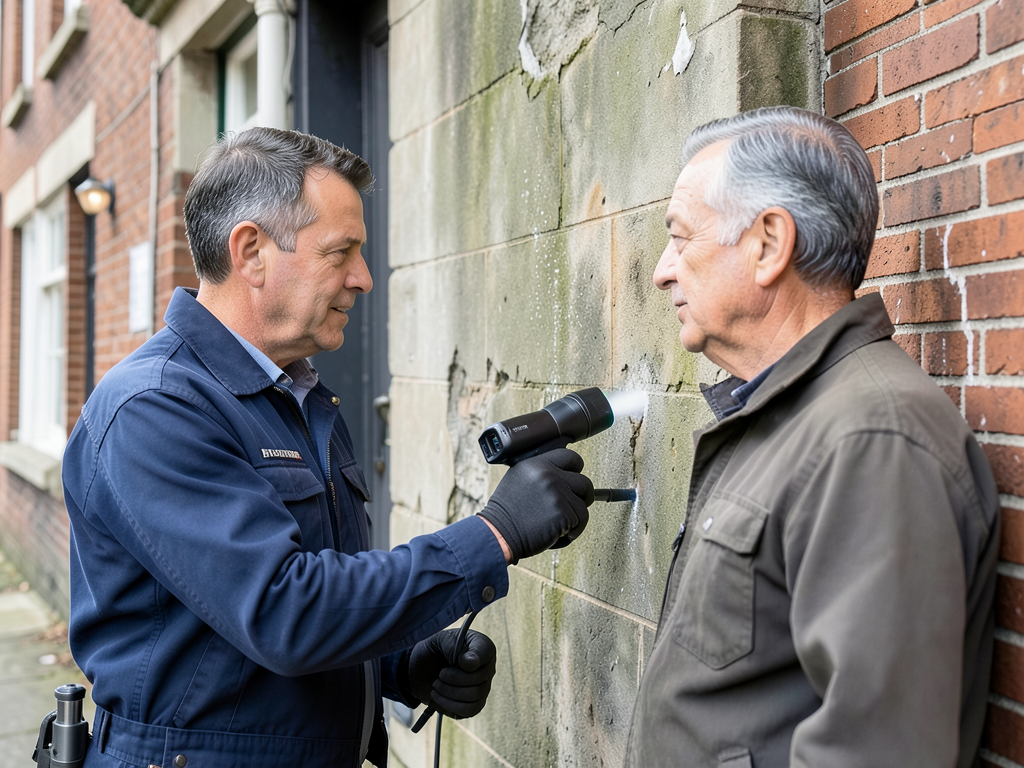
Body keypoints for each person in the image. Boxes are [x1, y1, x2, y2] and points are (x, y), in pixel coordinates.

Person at [62, 128, 594, 768]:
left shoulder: (298, 396)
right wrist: (495, 535)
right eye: (339, 252)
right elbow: (284, 611)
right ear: (251, 251)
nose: (364, 278)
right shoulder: (154, 409)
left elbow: (297, 604)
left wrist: (399, 668)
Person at [625, 106, 999, 768]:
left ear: (769, 243)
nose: (662, 270)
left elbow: (880, 752)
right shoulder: (790, 412)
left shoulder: (873, 440)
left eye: (680, 238)